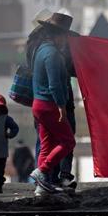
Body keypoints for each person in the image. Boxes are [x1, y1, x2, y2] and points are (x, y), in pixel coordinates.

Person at [29, 12, 75, 196]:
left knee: (46, 145)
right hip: (50, 105)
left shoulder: (40, 49)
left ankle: (42, 187)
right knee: (68, 141)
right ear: (60, 35)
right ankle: (42, 171)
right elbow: (55, 84)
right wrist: (61, 106)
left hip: (38, 104)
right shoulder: (53, 54)